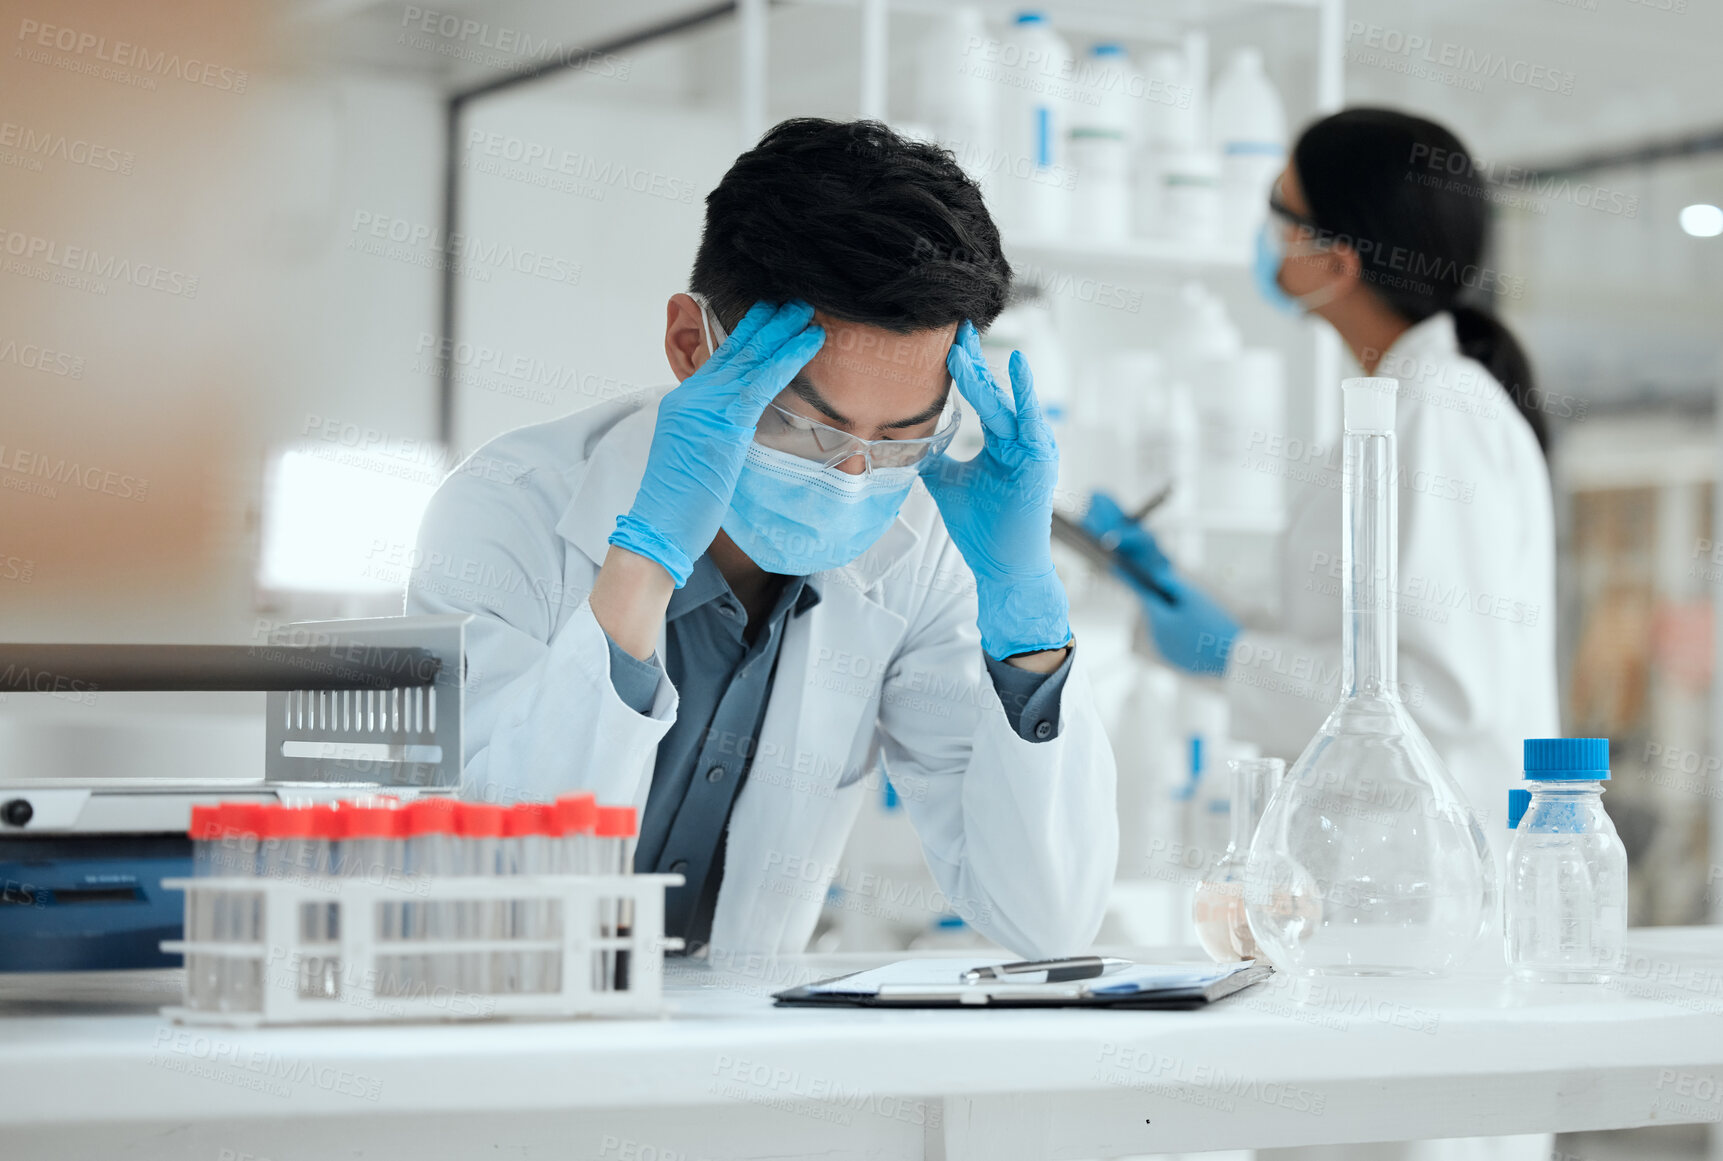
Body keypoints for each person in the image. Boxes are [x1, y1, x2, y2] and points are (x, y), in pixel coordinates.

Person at [406, 118, 1117, 962]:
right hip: (499, 1041)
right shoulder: (510, 508)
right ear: (688, 345)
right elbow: (504, 883)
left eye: (901, 438)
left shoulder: (920, 548)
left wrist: (1023, 604)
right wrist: (641, 564)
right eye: (804, 425)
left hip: (742, 1059)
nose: (854, 474)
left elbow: (1046, 919)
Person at [1088, 102, 1558, 1161]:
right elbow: (1365, 645)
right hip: (1366, 921)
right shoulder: (1396, 400)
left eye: (1277, 212)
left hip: (1426, 926)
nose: (1265, 238)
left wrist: (1230, 654)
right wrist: (1194, 601)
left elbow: (1434, 699)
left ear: (1337, 260)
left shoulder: (1443, 411)